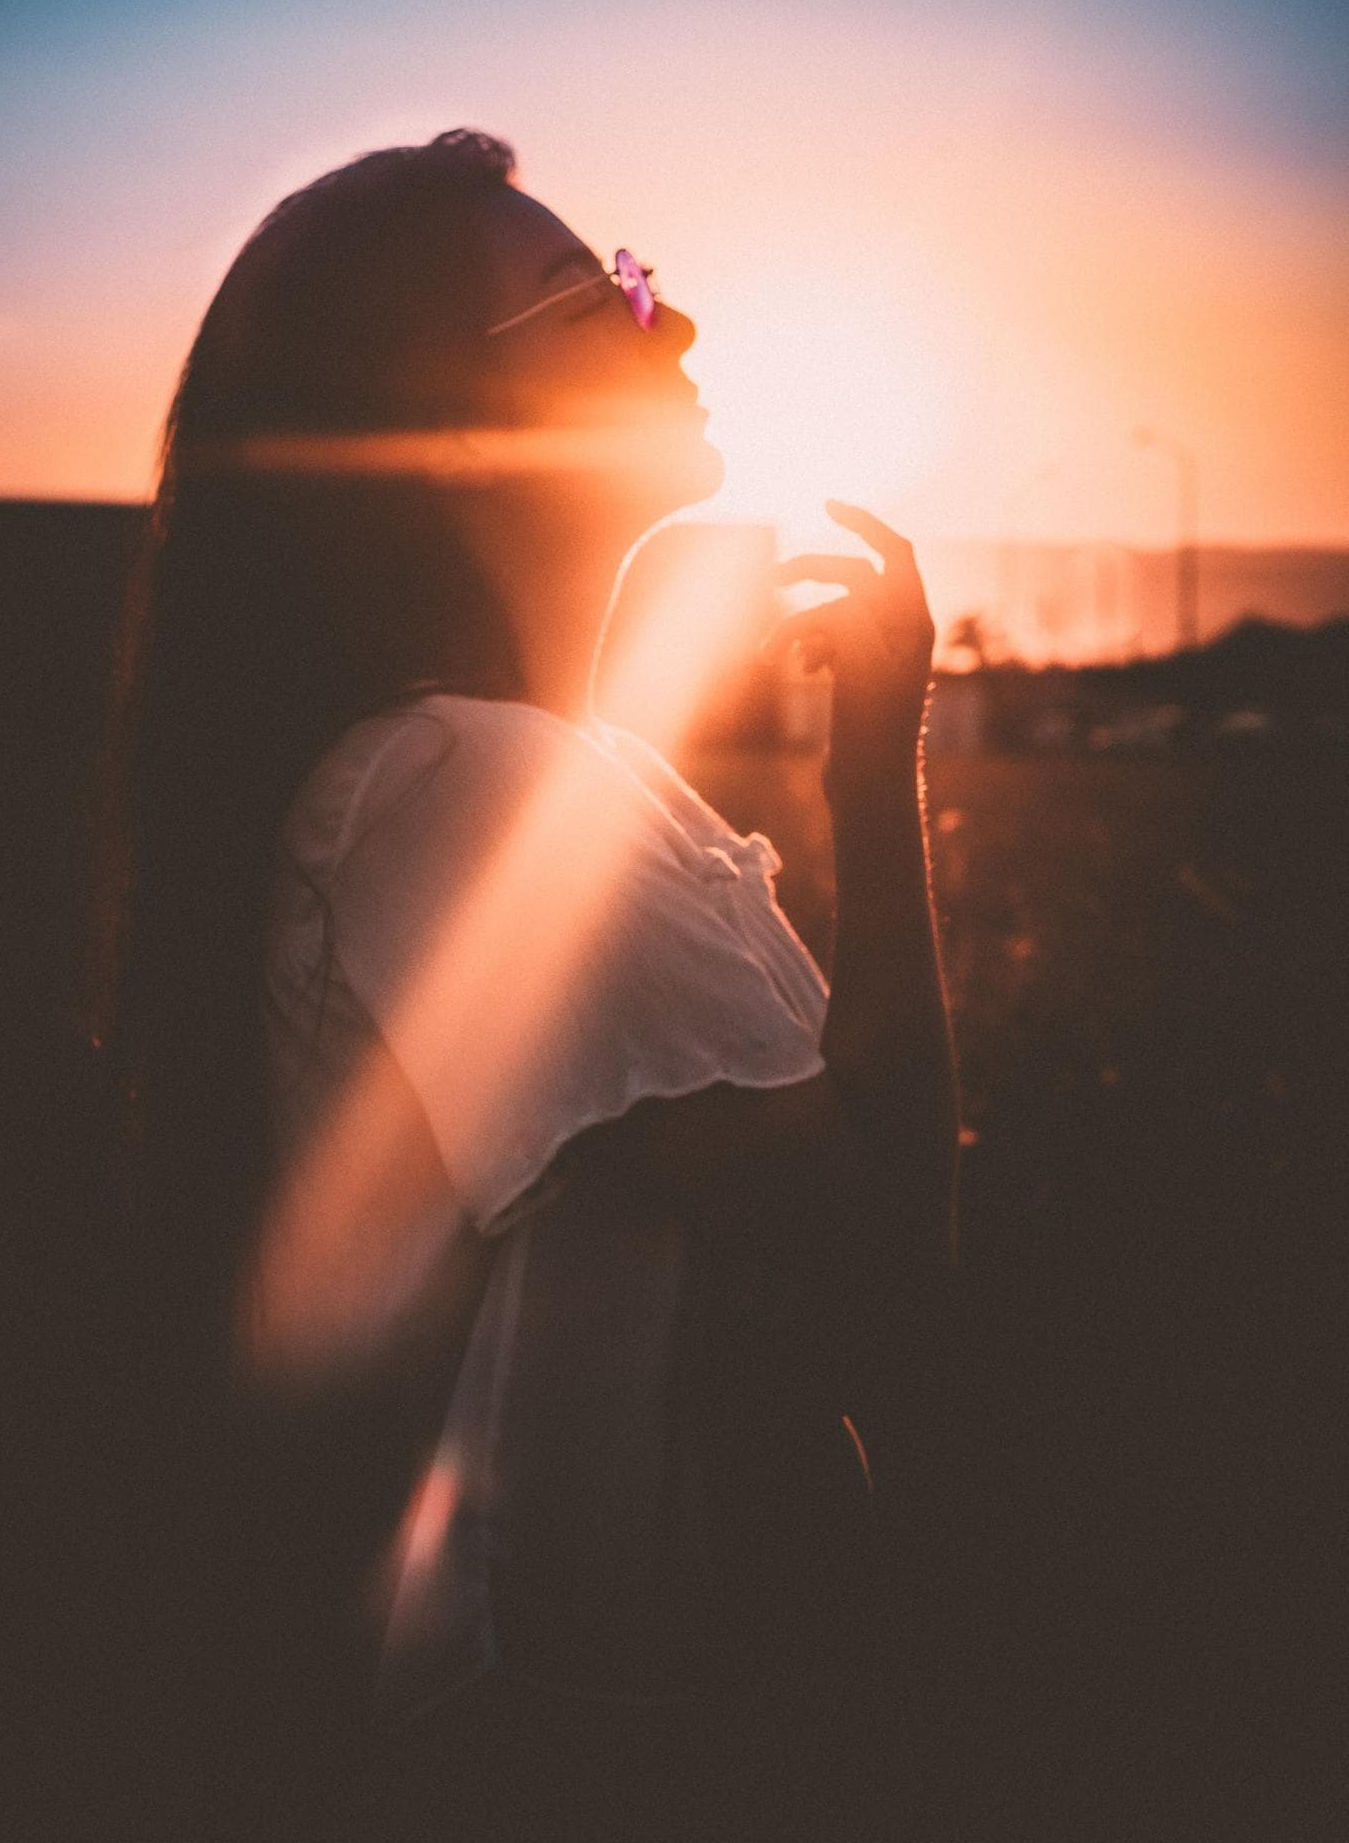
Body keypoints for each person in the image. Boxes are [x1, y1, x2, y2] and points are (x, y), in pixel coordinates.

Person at [93, 128, 958, 1840]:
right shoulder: (463, 788)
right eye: (600, 298)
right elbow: (882, 1249)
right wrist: (879, 779)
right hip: (570, 1754)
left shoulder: (545, 774)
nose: (678, 321)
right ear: (456, 431)